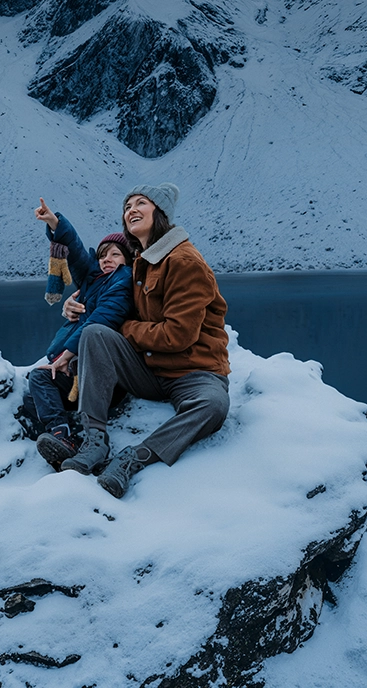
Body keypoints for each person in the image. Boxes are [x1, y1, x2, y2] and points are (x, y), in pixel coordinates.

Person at [61, 182, 230, 498]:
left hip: (194, 373)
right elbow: (108, 300)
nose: (131, 210)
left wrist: (126, 329)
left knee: (213, 405)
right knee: (95, 333)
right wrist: (74, 307)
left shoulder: (184, 261)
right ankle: (95, 441)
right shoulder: (140, 260)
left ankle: (135, 457)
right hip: (152, 369)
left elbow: (177, 335)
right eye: (127, 207)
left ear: (161, 213)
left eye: (141, 203)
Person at [29, 197, 134, 469]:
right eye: (102, 255)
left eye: (115, 254)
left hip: (99, 372)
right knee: (33, 394)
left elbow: (101, 319)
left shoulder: (123, 281)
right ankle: (61, 435)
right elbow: (74, 250)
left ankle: (63, 436)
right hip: (80, 365)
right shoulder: (92, 279)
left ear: (127, 259)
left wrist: (67, 354)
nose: (107, 260)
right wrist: (55, 223)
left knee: (41, 379)